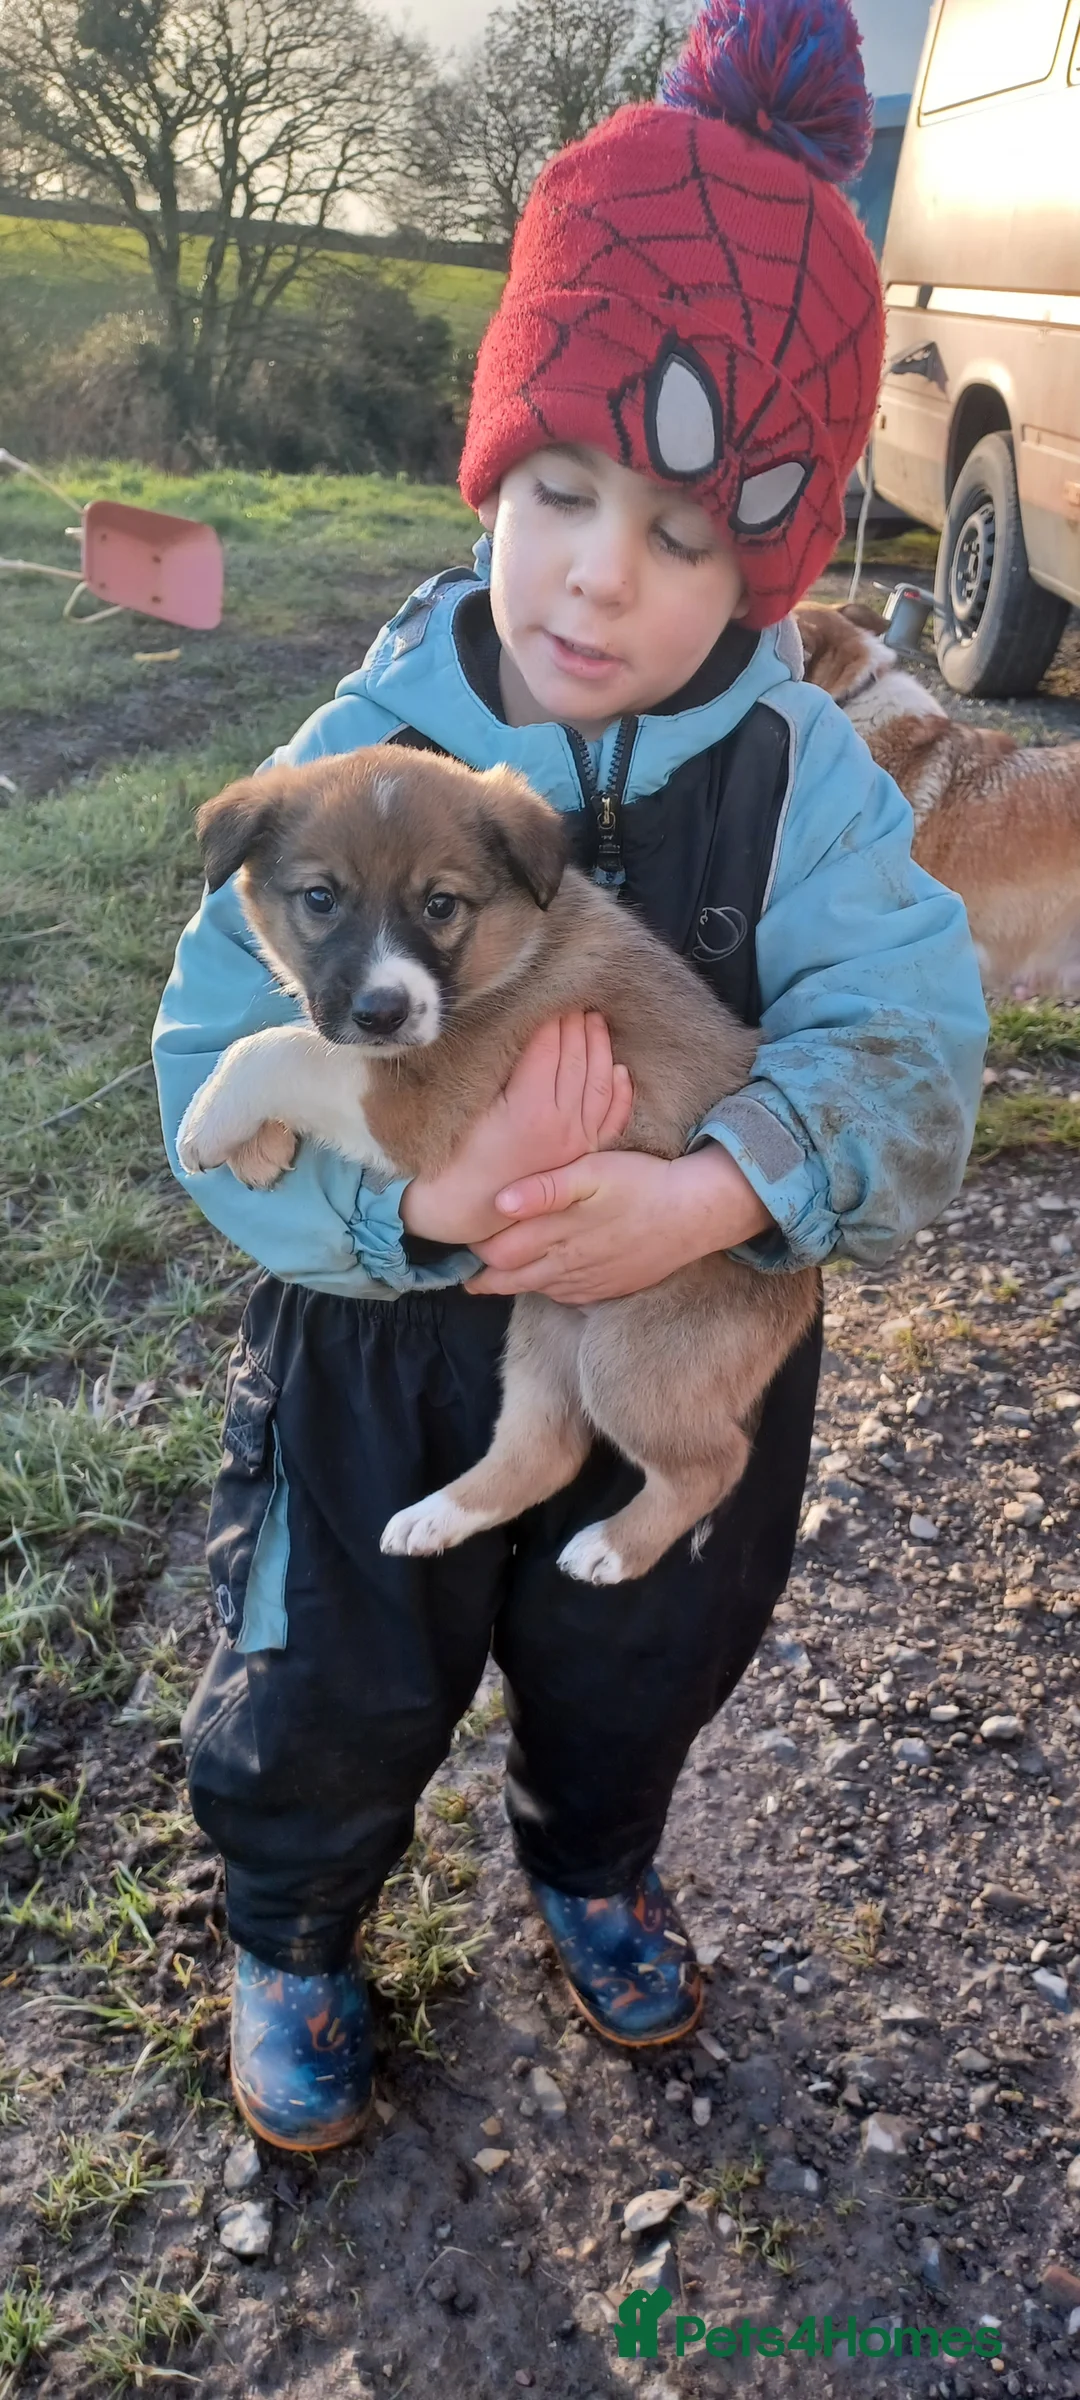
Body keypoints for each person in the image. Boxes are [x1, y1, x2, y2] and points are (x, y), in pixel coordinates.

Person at [153, 0, 988, 2154]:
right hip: (377, 1353)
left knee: (642, 1655)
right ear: (491, 472)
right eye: (559, 488)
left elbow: (915, 1047)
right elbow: (205, 1085)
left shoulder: (803, 774)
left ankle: (596, 1869)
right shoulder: (356, 744)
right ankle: (294, 1921)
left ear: (776, 559)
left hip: (677, 1305)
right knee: (332, 1655)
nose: (605, 568)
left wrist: (709, 1197)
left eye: (692, 531)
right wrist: (407, 1211)